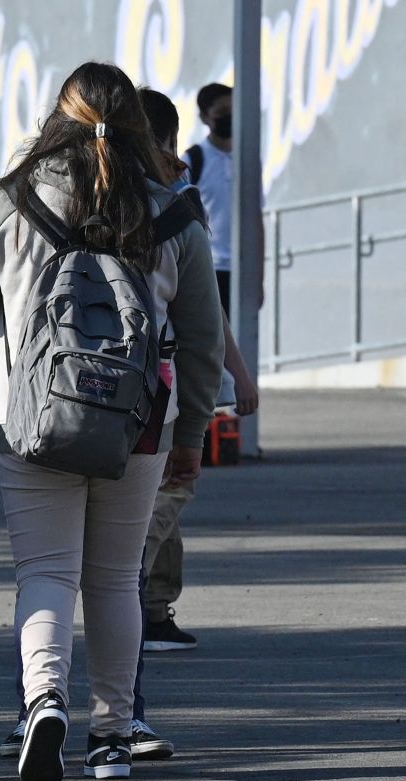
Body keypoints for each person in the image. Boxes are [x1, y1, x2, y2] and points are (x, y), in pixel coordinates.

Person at [0, 62, 224, 781]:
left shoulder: (5, 204)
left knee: (45, 572)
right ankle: (112, 735)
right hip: (137, 424)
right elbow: (200, 340)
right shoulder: (172, 213)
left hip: (32, 418)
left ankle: (43, 702)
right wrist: (193, 435)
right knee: (114, 581)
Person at [140, 88, 259, 653]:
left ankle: (153, 608)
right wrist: (235, 372)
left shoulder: (88, 198)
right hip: (163, 372)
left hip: (97, 376)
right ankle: (129, 579)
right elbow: (203, 310)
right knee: (173, 483)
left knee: (155, 484)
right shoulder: (178, 199)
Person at [184, 83, 264, 315]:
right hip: (209, 269)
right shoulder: (192, 160)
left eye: (233, 110)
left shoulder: (248, 157)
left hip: (243, 270)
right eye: (221, 113)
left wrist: (259, 276)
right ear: (205, 117)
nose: (229, 117)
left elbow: (256, 217)